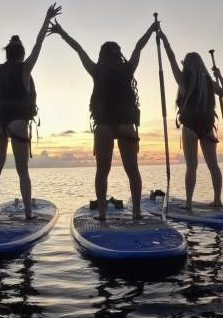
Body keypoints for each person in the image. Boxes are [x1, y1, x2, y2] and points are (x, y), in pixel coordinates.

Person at [48, 19, 159, 220]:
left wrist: (61, 32)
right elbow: (138, 47)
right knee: (133, 171)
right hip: (126, 125)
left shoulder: (96, 70)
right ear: (119, 55)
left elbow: (78, 49)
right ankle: (136, 212)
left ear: (102, 55)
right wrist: (152, 29)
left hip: (104, 126)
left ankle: (101, 214)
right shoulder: (128, 68)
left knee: (102, 172)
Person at [0, 3, 62, 220]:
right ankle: (28, 213)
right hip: (18, 125)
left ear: (8, 54)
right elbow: (39, 42)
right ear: (21, 54)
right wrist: (47, 18)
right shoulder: (25, 68)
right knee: (23, 171)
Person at [157, 30, 223, 208]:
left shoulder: (183, 79)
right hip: (207, 125)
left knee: (191, 166)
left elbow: (171, 58)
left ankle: (189, 203)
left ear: (187, 64)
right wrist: (219, 76)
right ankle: (218, 200)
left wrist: (164, 39)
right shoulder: (208, 82)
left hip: (189, 125)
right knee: (213, 165)